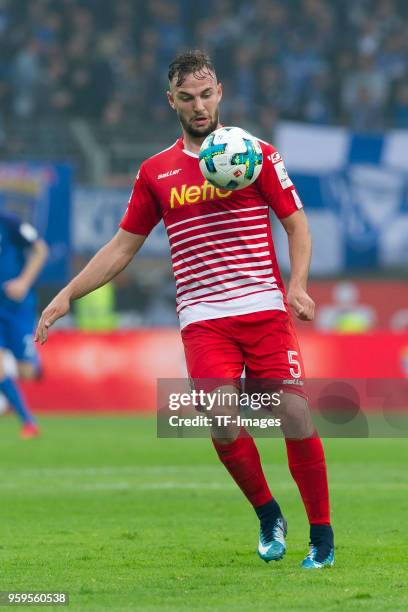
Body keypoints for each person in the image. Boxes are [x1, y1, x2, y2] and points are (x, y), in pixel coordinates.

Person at [35, 50, 334, 569]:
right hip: (203, 319)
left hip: (263, 309)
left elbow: (296, 224)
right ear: (170, 100)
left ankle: (322, 535)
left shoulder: (256, 153)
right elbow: (122, 247)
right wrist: (66, 295)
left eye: (206, 94)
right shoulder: (156, 172)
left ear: (219, 91)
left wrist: (299, 284)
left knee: (295, 413)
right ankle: (268, 514)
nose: (199, 106)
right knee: (220, 419)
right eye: (187, 98)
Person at [0, 210, 48, 438]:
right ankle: (28, 422)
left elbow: (40, 249)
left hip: (16, 307)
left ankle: (34, 362)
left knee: (27, 372)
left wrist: (24, 282)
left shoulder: (9, 220)